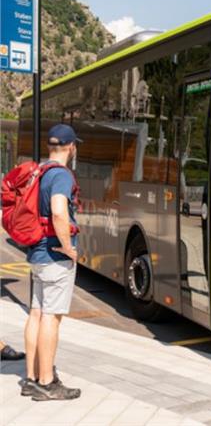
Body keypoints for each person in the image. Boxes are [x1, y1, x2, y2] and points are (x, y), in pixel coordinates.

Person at [21, 124, 81, 401]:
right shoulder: (60, 176)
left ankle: (31, 379)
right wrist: (68, 248)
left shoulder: (40, 172)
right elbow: (59, 212)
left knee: (36, 313)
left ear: (50, 147)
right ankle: (47, 382)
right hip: (55, 256)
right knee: (51, 318)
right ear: (71, 147)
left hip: (37, 254)